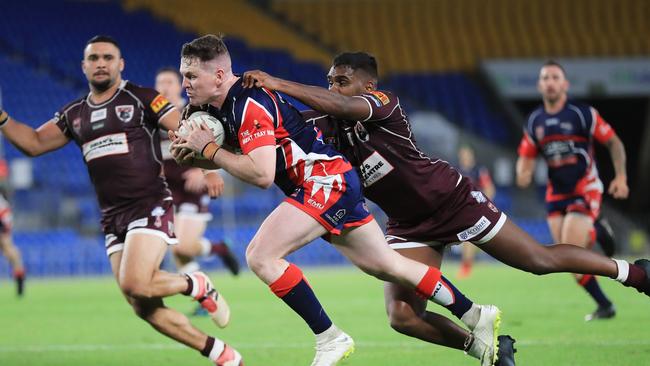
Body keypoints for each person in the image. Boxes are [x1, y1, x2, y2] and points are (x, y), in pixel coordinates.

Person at [240, 51, 650, 362]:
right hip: (408, 223)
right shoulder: (326, 121)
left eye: (342, 81)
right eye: (329, 82)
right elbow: (283, 125)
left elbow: (340, 105)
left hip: (451, 200)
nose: (333, 88)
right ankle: (487, 350)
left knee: (537, 260)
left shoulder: (381, 103)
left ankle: (632, 272)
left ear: (366, 84)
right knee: (402, 316)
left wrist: (276, 81)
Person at [170, 34, 511, 366]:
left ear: (217, 75)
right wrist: (196, 155)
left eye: (190, 75)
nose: (185, 83)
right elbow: (241, 157)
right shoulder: (227, 106)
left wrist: (209, 151)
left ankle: (329, 337)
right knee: (388, 266)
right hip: (333, 180)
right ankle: (474, 313)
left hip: (324, 181)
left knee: (260, 255)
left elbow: (261, 174)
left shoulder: (248, 103)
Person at [0, 36, 241, 366]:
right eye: (94, 57)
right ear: (84, 66)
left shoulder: (142, 98)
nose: (101, 62)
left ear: (120, 64)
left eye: (108, 57)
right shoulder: (75, 113)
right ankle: (223, 355)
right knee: (141, 304)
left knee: (135, 281)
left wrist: (212, 165)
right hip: (112, 217)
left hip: (150, 203)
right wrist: (2, 118)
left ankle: (194, 282)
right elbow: (34, 142)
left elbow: (186, 128)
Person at [516, 60, 629, 321]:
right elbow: (526, 154)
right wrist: (523, 171)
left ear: (565, 84)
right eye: (545, 78)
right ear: (539, 85)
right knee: (565, 258)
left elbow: (614, 142)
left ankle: (596, 231)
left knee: (570, 246)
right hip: (556, 193)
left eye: (555, 77)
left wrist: (621, 177)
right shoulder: (535, 121)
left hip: (584, 187)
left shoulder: (582, 114)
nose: (550, 82)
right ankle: (605, 305)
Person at [155, 67, 241, 280]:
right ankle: (206, 298)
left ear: (179, 87)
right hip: (168, 190)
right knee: (177, 250)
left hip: (192, 189)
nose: (165, 87)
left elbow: (218, 145)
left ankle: (220, 249)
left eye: (169, 82)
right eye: (160, 83)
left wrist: (202, 171)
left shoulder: (194, 113)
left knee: (182, 247)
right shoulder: (152, 121)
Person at [456, 144, 496, 278]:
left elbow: (489, 188)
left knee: (469, 239)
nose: (464, 157)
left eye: (466, 154)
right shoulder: (456, 170)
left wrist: (483, 205)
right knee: (466, 239)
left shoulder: (479, 170)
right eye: (462, 155)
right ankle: (466, 265)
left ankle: (466, 267)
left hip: (476, 210)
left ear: (471, 156)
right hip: (460, 210)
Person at [0, 159, 26, 296]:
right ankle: (20, 276)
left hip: (2, 212)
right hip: (4, 212)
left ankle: (20, 277)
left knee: (7, 246)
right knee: (7, 246)